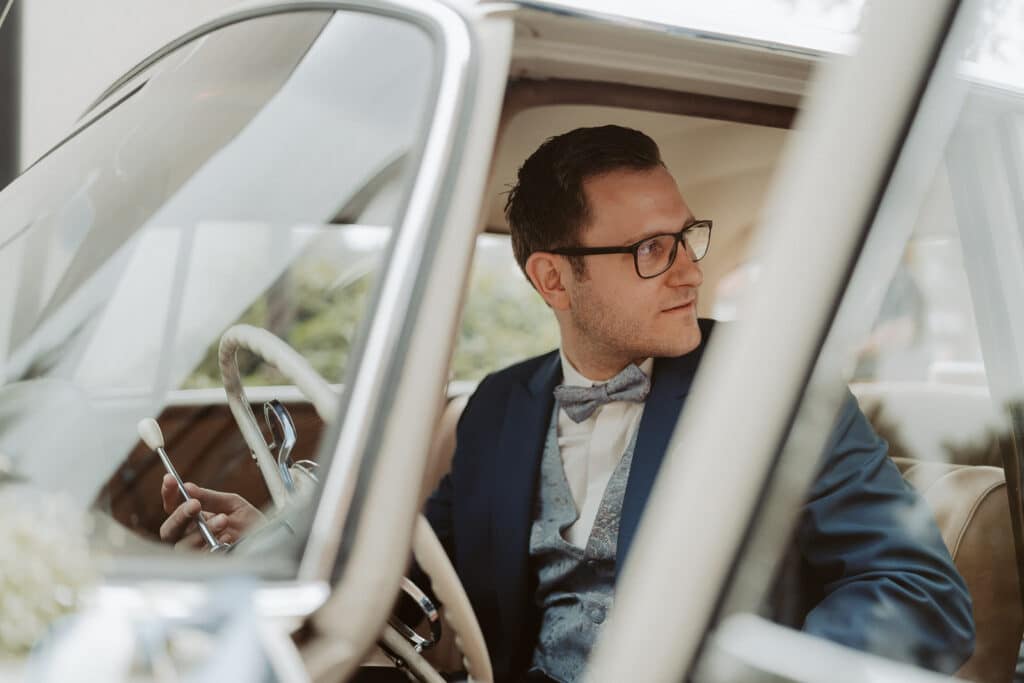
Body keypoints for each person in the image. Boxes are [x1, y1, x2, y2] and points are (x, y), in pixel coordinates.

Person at [161, 125, 975, 682]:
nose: (691, 271)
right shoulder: (494, 409)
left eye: (685, 236)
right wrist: (279, 536)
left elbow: (919, 592)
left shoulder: (777, 388)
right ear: (554, 278)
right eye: (653, 250)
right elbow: (417, 565)